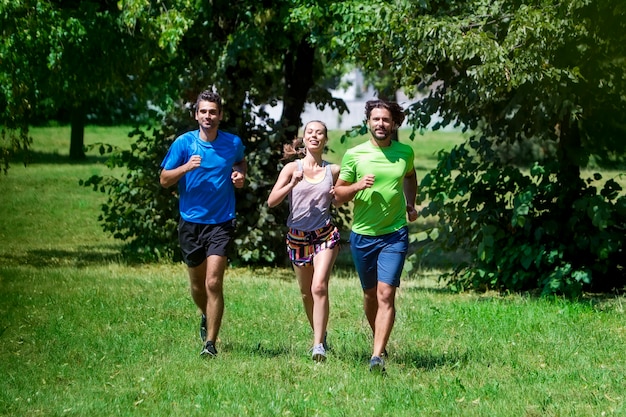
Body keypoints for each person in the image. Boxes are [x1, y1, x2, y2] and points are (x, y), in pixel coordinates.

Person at [160, 90, 246, 358]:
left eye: (213, 112)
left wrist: (240, 175)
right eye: (203, 111)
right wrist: (185, 168)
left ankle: (210, 343)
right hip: (191, 222)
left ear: (220, 115)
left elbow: (241, 163)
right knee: (198, 286)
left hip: (221, 222)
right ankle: (205, 313)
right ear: (196, 115)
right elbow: (164, 179)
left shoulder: (232, 143)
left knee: (212, 283)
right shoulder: (184, 144)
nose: (208, 116)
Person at [334, 99, 418, 373]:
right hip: (363, 236)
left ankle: (377, 356)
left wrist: (410, 204)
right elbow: (336, 197)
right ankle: (378, 341)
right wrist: (358, 185)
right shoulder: (354, 155)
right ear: (368, 122)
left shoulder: (405, 152)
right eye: (376, 119)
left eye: (386, 120)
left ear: (394, 124)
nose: (381, 124)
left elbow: (410, 175)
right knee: (370, 295)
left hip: (394, 234)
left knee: (386, 294)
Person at [267, 120, 341, 362]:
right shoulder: (291, 168)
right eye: (310, 132)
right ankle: (321, 334)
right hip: (297, 237)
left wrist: (337, 195)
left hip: (324, 235)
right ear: (304, 138)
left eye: (320, 133)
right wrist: (292, 183)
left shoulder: (333, 171)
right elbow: (272, 201)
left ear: (325, 140)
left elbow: (341, 200)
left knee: (319, 287)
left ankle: (318, 345)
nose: (315, 136)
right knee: (306, 293)